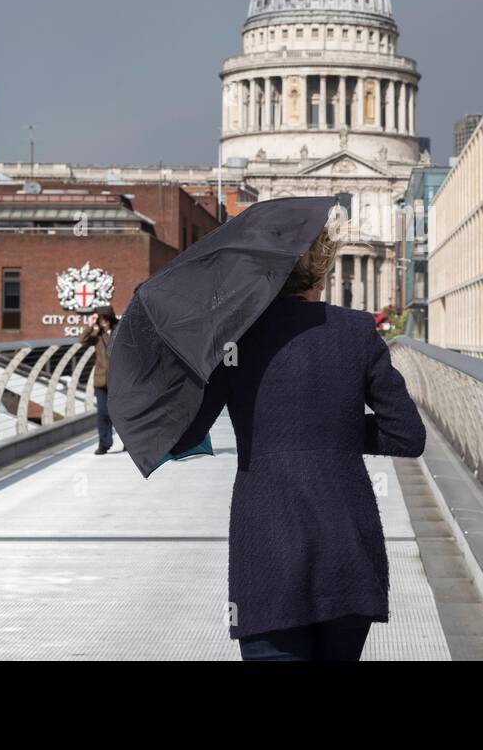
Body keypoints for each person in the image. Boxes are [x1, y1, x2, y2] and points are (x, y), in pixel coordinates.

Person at [179, 224, 426, 661]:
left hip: (266, 552)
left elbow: (187, 432)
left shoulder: (232, 340)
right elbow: (408, 435)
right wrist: (336, 430)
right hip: (346, 549)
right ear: (320, 272)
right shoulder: (356, 331)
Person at [80, 305, 117, 455]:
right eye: (99, 319)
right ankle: (104, 444)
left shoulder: (118, 332)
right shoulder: (97, 335)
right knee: (102, 412)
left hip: (117, 380)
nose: (101, 322)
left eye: (103, 318)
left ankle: (129, 442)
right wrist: (90, 325)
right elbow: (82, 341)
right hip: (101, 381)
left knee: (121, 412)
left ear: (109, 318)